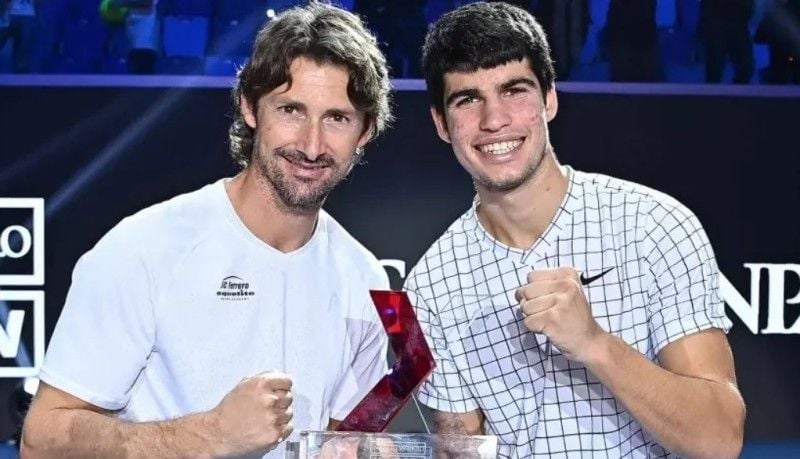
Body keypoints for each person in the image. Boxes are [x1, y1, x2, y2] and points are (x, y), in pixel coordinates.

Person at [21, 3, 393, 458]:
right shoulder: (143, 249)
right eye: (291, 110)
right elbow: (42, 441)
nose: (312, 145)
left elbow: (344, 443)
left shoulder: (368, 279)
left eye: (337, 118)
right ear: (250, 107)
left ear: (366, 131)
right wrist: (211, 434)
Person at [404, 2, 745, 457]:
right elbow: (459, 451)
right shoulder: (428, 288)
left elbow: (720, 440)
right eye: (468, 99)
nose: (494, 119)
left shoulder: (654, 226)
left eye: (514, 90)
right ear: (442, 124)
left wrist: (595, 344)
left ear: (549, 99)